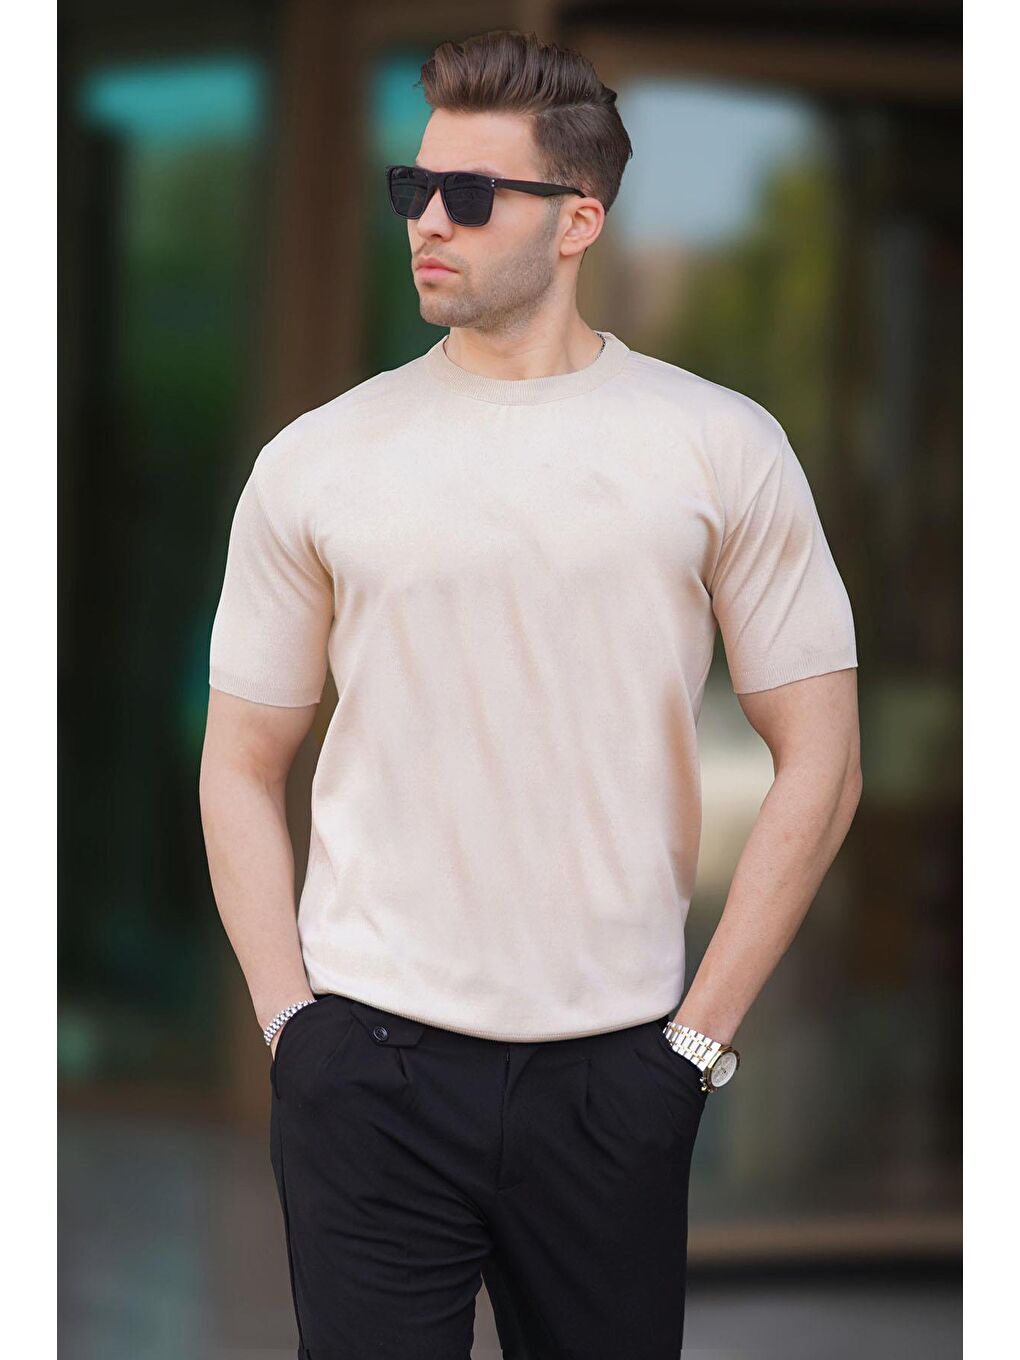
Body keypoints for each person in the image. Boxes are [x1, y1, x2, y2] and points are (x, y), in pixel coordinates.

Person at [199, 28, 862, 1360]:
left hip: (616, 1079)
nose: (426, 222)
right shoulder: (317, 462)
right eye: (413, 187)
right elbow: (239, 760)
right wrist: (292, 1029)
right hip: (370, 1075)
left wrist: (694, 1051)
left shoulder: (720, 446)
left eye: (469, 194)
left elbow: (824, 758)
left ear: (578, 223)